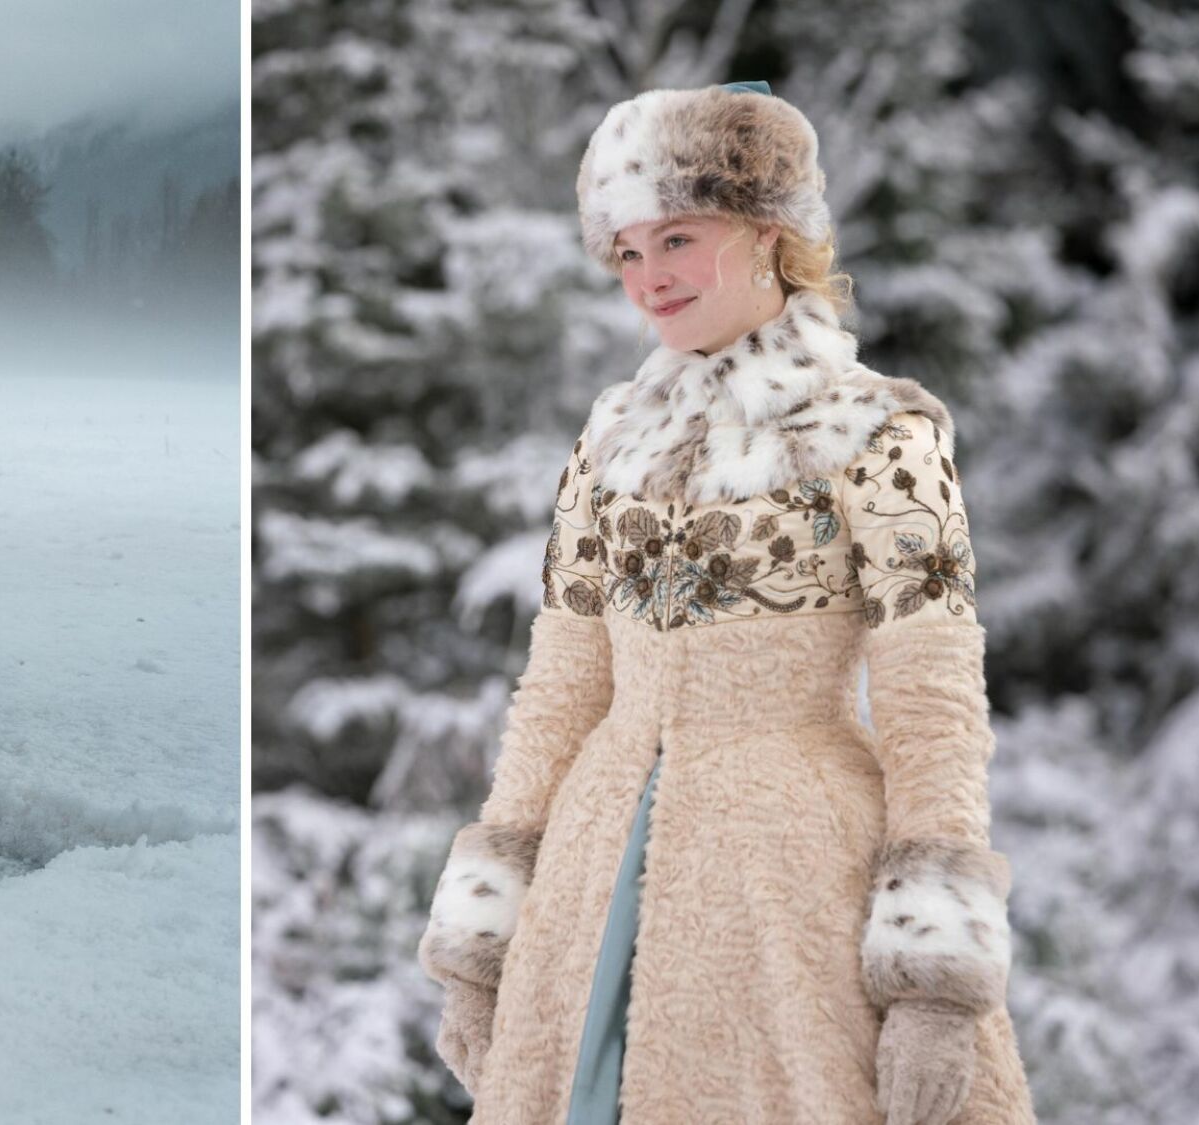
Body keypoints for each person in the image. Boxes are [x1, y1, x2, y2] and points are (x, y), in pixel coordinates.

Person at [417, 84, 1035, 1124]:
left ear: (766, 232)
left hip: (789, 881)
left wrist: (934, 978)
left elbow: (931, 705)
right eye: (623, 252)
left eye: (675, 237)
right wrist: (483, 942)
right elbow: (561, 684)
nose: (647, 276)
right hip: (586, 876)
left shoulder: (879, 433)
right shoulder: (611, 439)